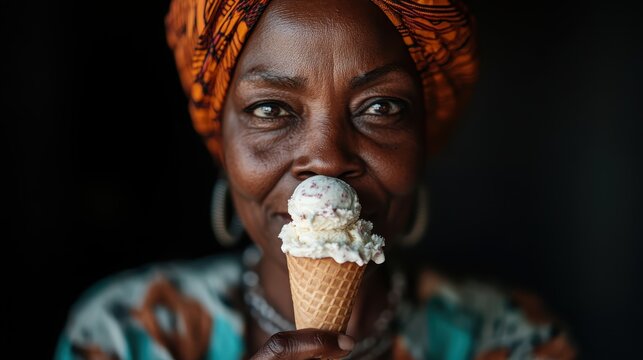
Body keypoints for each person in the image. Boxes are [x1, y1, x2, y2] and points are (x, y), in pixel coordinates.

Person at [55, 0, 576, 359]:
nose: (326, 159)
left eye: (380, 106)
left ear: (422, 137)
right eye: (270, 109)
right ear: (221, 144)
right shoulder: (128, 334)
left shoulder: (511, 340)